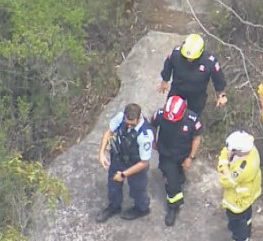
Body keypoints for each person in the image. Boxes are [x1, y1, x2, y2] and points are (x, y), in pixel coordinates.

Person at [95, 103, 154, 223]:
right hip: (119, 157)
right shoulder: (121, 117)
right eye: (127, 123)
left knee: (138, 189)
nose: (128, 125)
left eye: (132, 124)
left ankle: (141, 209)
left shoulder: (145, 135)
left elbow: (144, 162)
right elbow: (108, 132)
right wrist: (101, 153)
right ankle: (114, 206)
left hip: (136, 163)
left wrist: (123, 174)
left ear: (139, 118)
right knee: (113, 186)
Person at [150, 95, 203, 226]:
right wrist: (153, 140)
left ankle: (179, 175)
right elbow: (152, 125)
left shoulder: (192, 119)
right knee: (172, 182)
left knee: (178, 173)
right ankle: (173, 206)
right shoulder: (161, 114)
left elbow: (196, 138)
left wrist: (190, 158)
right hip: (167, 153)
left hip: (183, 153)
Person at [158, 33, 228, 116]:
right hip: (178, 88)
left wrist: (221, 94)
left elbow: (218, 78)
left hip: (197, 93)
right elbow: (168, 64)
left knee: (193, 114)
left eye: (192, 58)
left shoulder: (209, 62)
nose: (189, 59)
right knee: (171, 110)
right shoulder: (176, 54)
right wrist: (165, 80)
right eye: (186, 57)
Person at [217, 131, 262, 241]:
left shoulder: (242, 169)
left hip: (238, 200)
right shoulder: (252, 150)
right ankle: (246, 231)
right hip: (248, 194)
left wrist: (224, 160)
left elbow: (226, 181)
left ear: (240, 151)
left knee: (237, 222)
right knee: (246, 216)